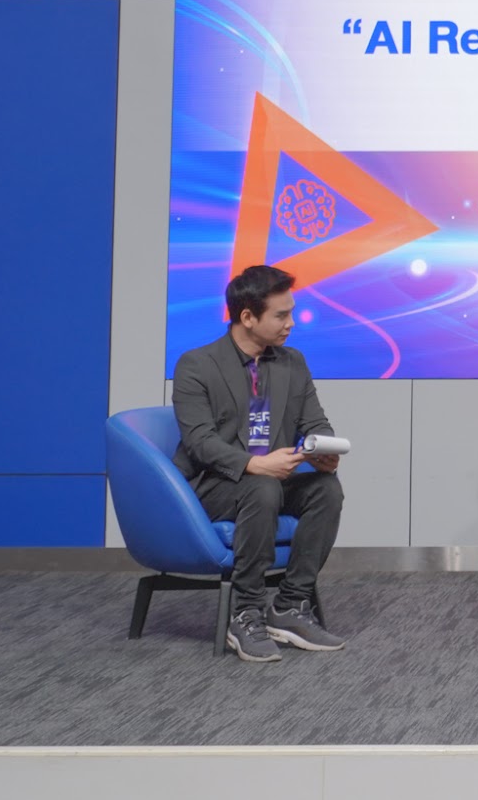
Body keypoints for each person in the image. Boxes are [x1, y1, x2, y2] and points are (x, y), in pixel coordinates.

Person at [172, 264, 347, 663]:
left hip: (271, 481)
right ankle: (245, 611)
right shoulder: (196, 365)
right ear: (248, 317)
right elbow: (200, 443)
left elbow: (314, 421)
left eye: (291, 313)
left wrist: (322, 448)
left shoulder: (292, 362)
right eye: (281, 316)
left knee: (325, 490)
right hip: (216, 484)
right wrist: (256, 465)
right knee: (263, 487)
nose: (291, 323)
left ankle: (290, 605)